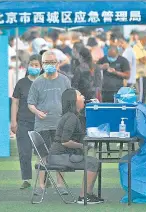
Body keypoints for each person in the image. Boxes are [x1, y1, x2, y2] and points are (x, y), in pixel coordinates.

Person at [48, 89, 103, 204]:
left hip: (61, 154)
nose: (83, 97)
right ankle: (83, 197)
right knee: (93, 163)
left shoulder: (73, 116)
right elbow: (65, 141)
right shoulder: (71, 118)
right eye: (80, 95)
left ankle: (87, 194)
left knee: (94, 162)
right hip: (60, 156)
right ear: (73, 100)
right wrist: (83, 146)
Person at [27, 50, 71, 195]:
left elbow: (70, 100)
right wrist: (37, 112)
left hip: (60, 125)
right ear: (42, 65)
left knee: (60, 156)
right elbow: (30, 104)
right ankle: (41, 186)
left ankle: (60, 184)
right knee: (42, 157)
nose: (50, 65)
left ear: (57, 64)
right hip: (42, 126)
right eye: (46, 63)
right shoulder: (37, 82)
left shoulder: (65, 80)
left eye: (52, 62)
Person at [11, 54, 42, 189]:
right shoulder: (21, 83)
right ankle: (27, 179)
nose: (34, 67)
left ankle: (43, 179)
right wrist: (13, 121)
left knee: (42, 153)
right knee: (24, 153)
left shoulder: (44, 82)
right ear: (28, 66)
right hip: (23, 122)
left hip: (41, 123)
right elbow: (15, 103)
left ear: (41, 67)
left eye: (37, 65)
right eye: (32, 64)